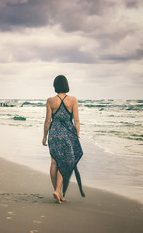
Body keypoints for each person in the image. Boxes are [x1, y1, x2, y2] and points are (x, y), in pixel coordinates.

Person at [42, 75, 85, 204]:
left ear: (55, 86)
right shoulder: (72, 100)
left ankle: (58, 192)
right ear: (66, 85)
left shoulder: (50, 100)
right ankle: (57, 191)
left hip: (54, 133)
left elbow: (48, 121)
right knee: (65, 162)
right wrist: (77, 135)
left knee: (54, 162)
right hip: (68, 133)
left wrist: (44, 136)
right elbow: (76, 120)